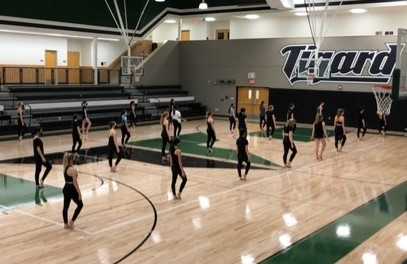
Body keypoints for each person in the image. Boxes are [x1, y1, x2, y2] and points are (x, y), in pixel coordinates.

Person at [62, 152, 83, 230]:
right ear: (71, 160)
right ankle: (71, 221)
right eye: (73, 159)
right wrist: (79, 193)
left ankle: (65, 224)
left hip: (66, 188)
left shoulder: (65, 168)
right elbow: (75, 183)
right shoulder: (72, 169)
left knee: (65, 207)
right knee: (80, 204)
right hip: (71, 188)